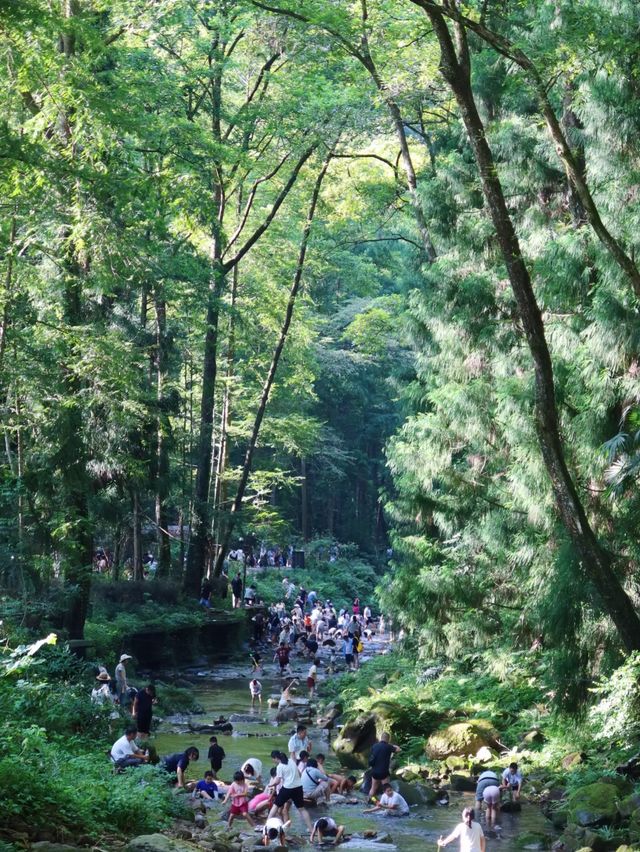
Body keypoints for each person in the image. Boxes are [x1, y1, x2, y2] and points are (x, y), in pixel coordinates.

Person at [268, 751, 313, 835]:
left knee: (276, 805)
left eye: (273, 759)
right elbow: (299, 773)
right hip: (298, 787)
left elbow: (277, 781)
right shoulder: (292, 761)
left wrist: (271, 784)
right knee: (302, 809)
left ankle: (267, 825)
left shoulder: (280, 766)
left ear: (276, 758)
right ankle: (311, 829)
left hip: (287, 788)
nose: (273, 761)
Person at [368, 732, 401, 798]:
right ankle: (386, 804)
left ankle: (368, 801)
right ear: (388, 739)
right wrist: (393, 745)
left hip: (374, 771)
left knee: (373, 788)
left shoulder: (374, 746)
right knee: (386, 789)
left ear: (381, 738)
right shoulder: (389, 746)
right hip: (384, 772)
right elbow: (399, 750)